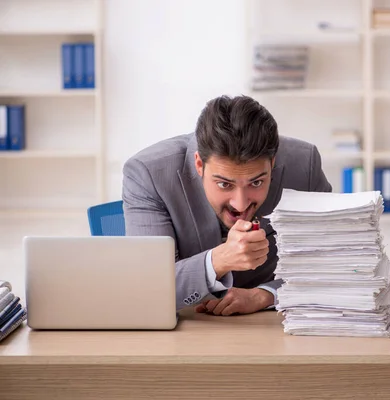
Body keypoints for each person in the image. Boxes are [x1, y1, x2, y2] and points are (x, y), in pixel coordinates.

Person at [122, 95, 332, 316]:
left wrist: (266, 294)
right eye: (224, 184)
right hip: (190, 329)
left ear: (272, 163)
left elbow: (334, 263)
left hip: (274, 327)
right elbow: (146, 287)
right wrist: (217, 261)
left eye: (257, 182)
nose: (240, 204)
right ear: (199, 165)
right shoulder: (148, 174)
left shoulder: (304, 165)